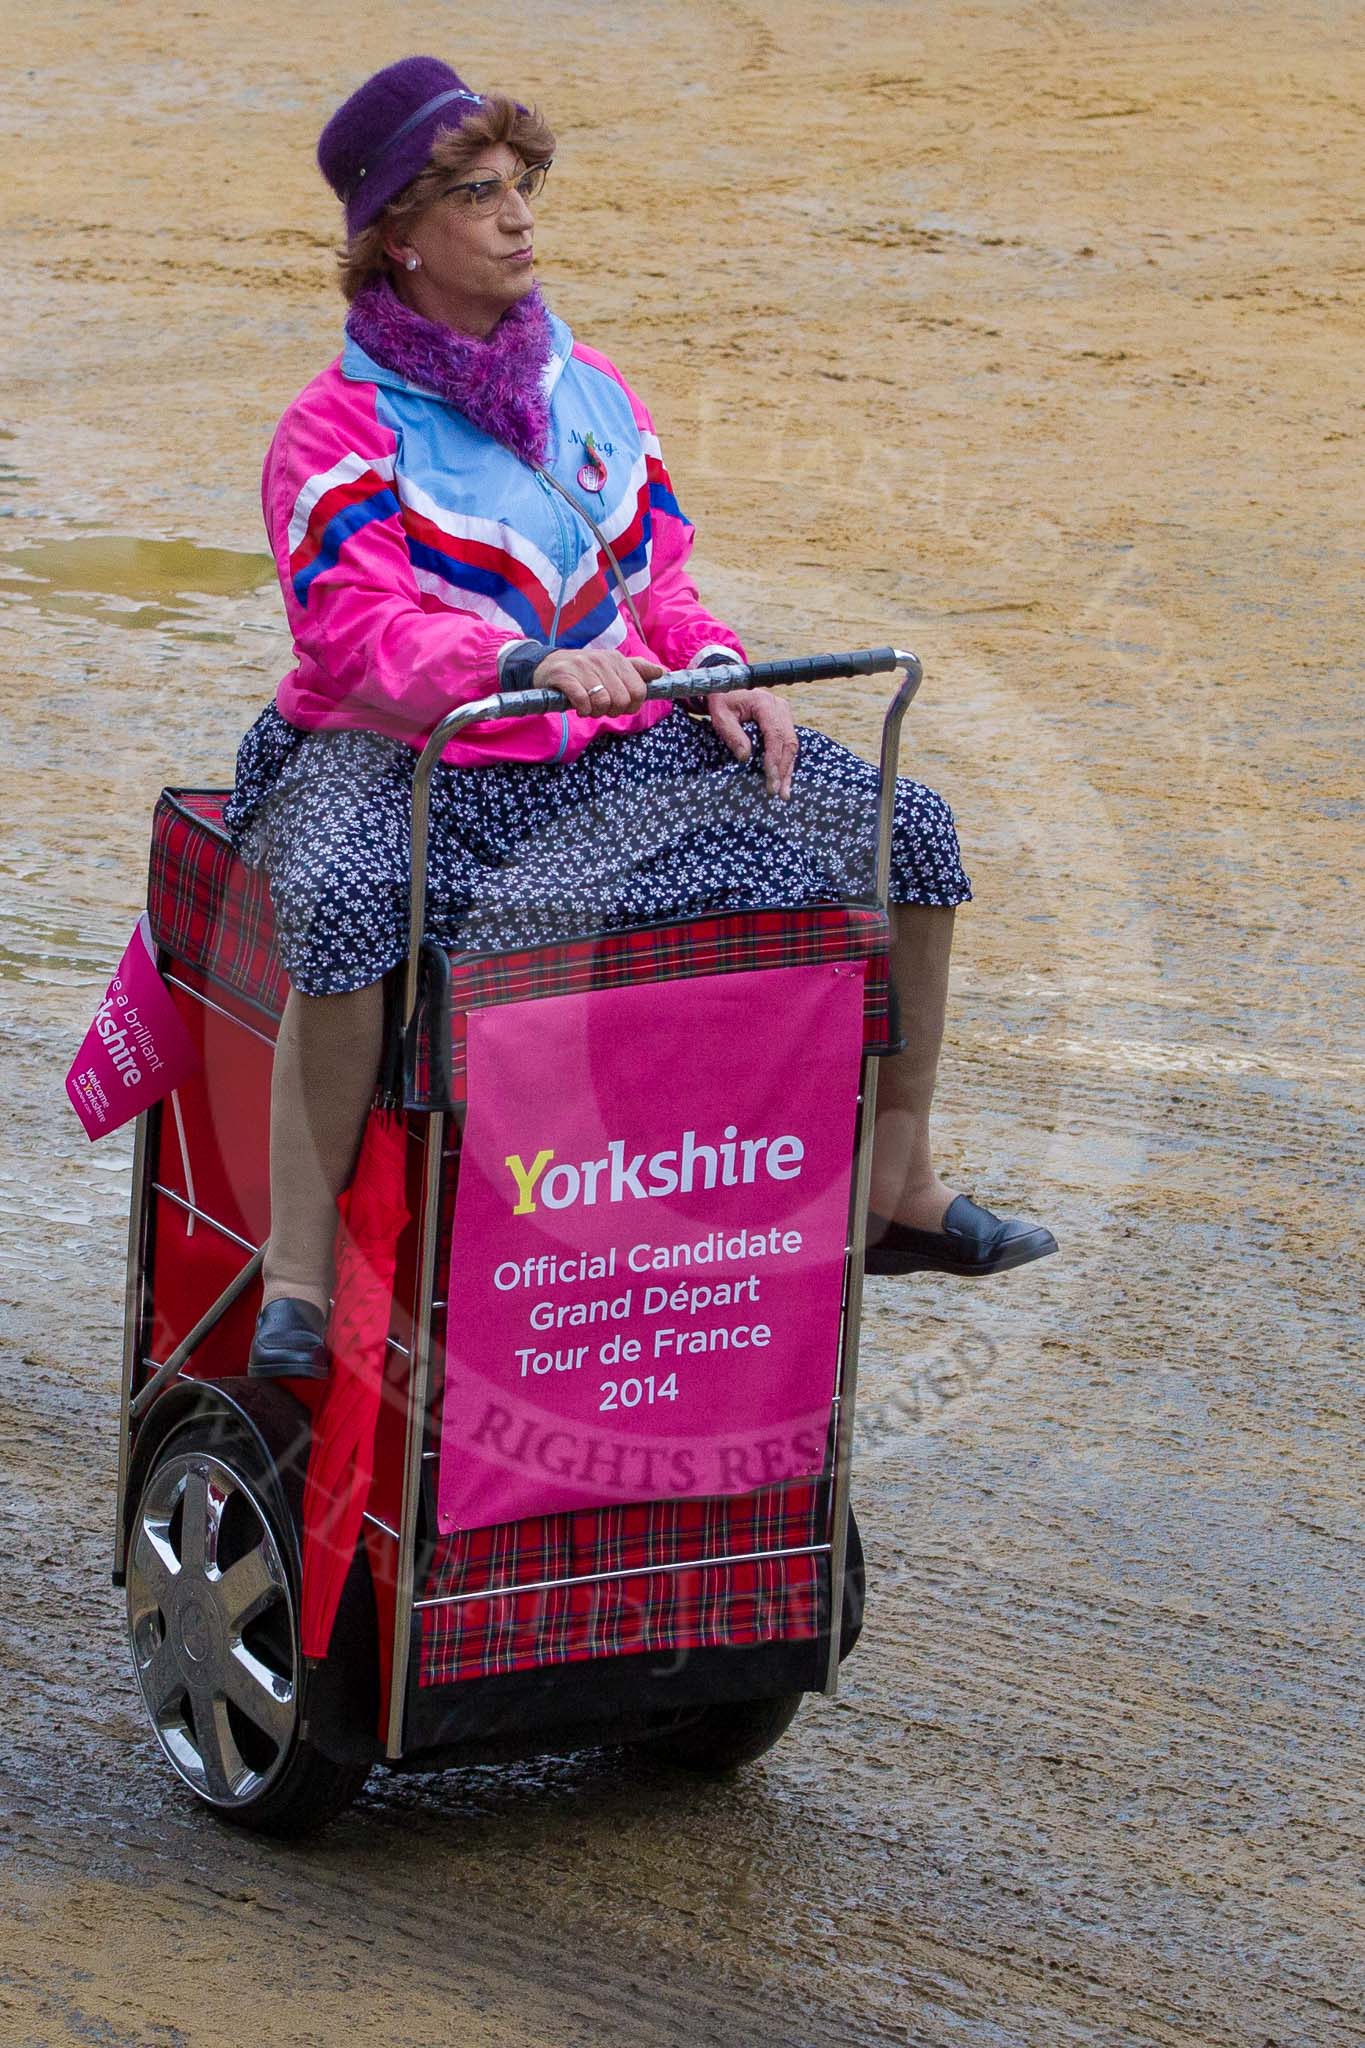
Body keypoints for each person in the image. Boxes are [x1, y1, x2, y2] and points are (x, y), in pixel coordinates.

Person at [225, 56, 1056, 1379]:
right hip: (401, 747)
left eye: (522, 186)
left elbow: (656, 577)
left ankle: (895, 1180)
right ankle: (301, 1281)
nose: (518, 218)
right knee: (339, 896)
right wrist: (520, 662)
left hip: (611, 738)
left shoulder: (589, 391)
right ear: (398, 234)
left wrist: (713, 662)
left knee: (910, 833)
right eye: (478, 194)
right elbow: (356, 633)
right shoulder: (331, 431)